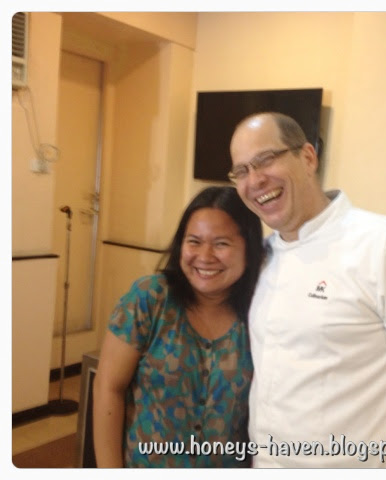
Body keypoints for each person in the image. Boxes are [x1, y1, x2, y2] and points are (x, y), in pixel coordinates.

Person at [229, 112, 386, 468]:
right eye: (241, 171)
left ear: (307, 158)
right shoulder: (263, 259)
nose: (255, 180)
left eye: (266, 160)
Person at [93, 186, 264, 467]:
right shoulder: (150, 299)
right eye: (194, 241)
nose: (205, 256)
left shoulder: (260, 312)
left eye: (221, 244)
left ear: (249, 249)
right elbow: (108, 387)